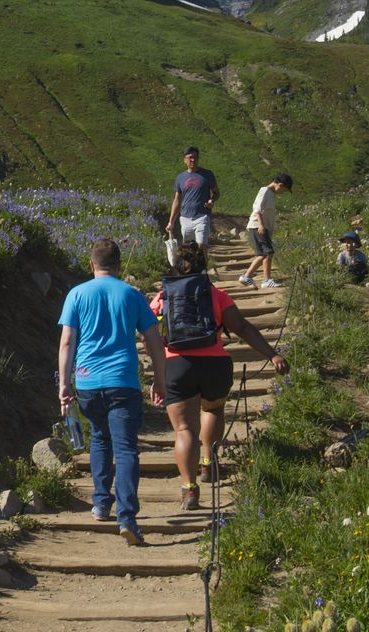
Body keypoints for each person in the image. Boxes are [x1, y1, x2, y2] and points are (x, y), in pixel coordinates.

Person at [150, 242, 288, 508]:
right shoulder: (215, 294)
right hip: (215, 363)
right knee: (212, 410)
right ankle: (207, 462)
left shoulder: (162, 297)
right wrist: (272, 355)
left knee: (184, 429)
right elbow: (242, 327)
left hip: (177, 366)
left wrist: (158, 368)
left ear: (175, 267)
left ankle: (189, 489)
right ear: (204, 267)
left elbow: (149, 333)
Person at [57, 239, 168, 546]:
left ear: (91, 264)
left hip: (88, 382)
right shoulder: (132, 295)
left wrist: (64, 384)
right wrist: (159, 380)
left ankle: (101, 503)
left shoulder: (76, 295)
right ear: (119, 265)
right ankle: (127, 517)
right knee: (126, 448)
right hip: (123, 382)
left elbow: (67, 343)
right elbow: (154, 342)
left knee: (99, 438)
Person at [165, 146, 220, 267]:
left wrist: (212, 200)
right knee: (188, 249)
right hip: (185, 218)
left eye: (195, 157)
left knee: (201, 246)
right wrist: (171, 222)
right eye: (190, 158)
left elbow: (216, 193)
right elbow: (177, 200)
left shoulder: (207, 175)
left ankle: (204, 274)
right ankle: (190, 274)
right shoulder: (180, 178)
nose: (193, 160)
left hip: (202, 216)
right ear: (184, 160)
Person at [239, 172, 293, 288]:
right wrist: (261, 225)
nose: (282, 193)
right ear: (280, 184)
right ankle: (266, 280)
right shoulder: (265, 191)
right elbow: (257, 209)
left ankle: (247, 276)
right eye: (284, 190)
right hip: (258, 226)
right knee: (268, 252)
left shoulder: (270, 194)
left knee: (263, 254)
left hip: (260, 227)